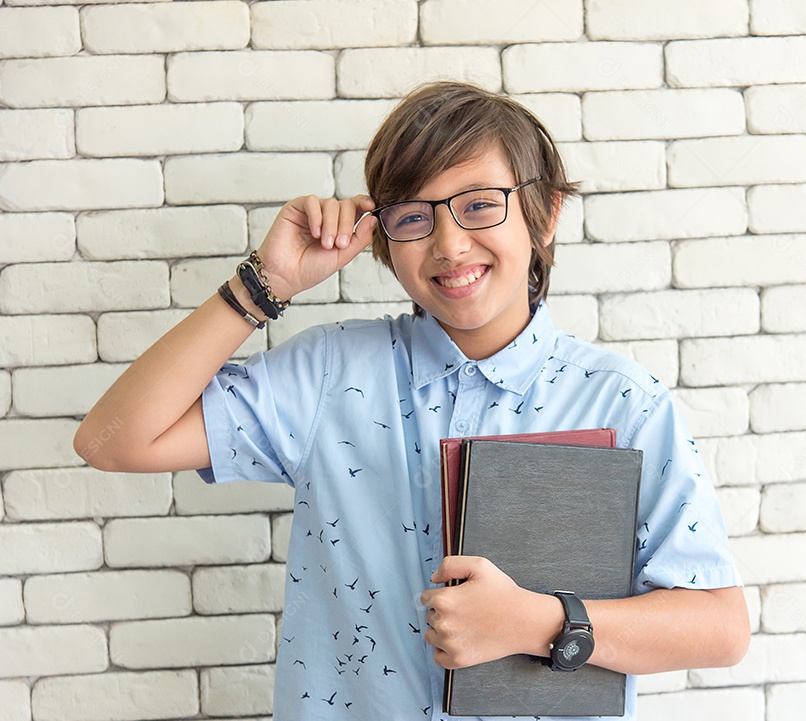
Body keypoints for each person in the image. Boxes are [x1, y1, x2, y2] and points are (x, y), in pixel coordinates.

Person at [75, 81, 749, 720]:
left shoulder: (623, 402)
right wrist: (264, 283)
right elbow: (113, 440)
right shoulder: (328, 374)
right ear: (382, 238)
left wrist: (539, 621)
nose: (450, 243)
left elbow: (719, 628)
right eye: (413, 217)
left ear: (544, 214)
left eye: (480, 204)